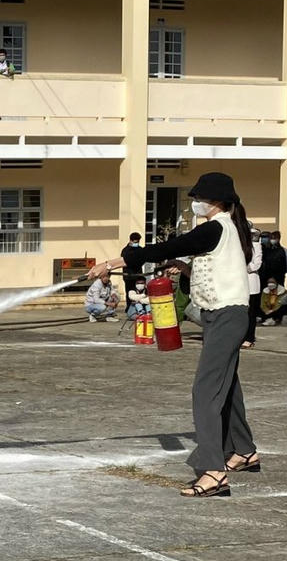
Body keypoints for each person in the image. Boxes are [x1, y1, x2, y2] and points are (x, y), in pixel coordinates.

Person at [88, 172, 259, 498]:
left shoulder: (215, 227)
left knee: (205, 391)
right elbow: (209, 267)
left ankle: (213, 471)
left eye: (202, 198)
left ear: (218, 202)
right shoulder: (224, 230)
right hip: (223, 316)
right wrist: (182, 267)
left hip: (227, 316)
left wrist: (113, 262)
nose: (196, 203)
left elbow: (170, 245)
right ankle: (244, 451)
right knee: (227, 386)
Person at [243, 228, 263, 348]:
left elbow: (256, 264)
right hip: (241, 281)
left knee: (251, 313)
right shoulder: (240, 246)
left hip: (251, 281)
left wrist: (243, 266)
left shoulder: (257, 246)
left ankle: (250, 337)